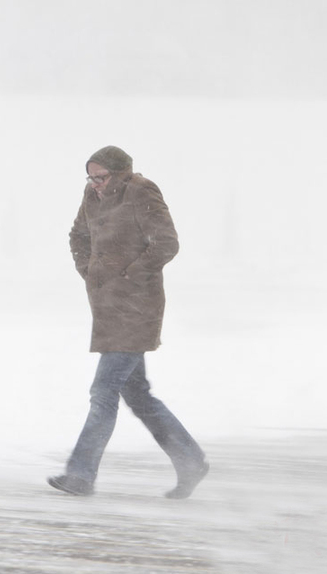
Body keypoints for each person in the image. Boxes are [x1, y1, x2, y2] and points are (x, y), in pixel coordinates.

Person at [48, 145, 208, 499]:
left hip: (138, 307)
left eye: (101, 177)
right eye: (90, 177)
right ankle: (191, 460)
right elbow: (78, 236)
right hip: (107, 307)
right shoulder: (92, 196)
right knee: (138, 395)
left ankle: (80, 474)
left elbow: (167, 243)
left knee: (103, 392)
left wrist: (129, 276)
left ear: (119, 173)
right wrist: (90, 272)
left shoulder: (141, 190)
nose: (95, 184)